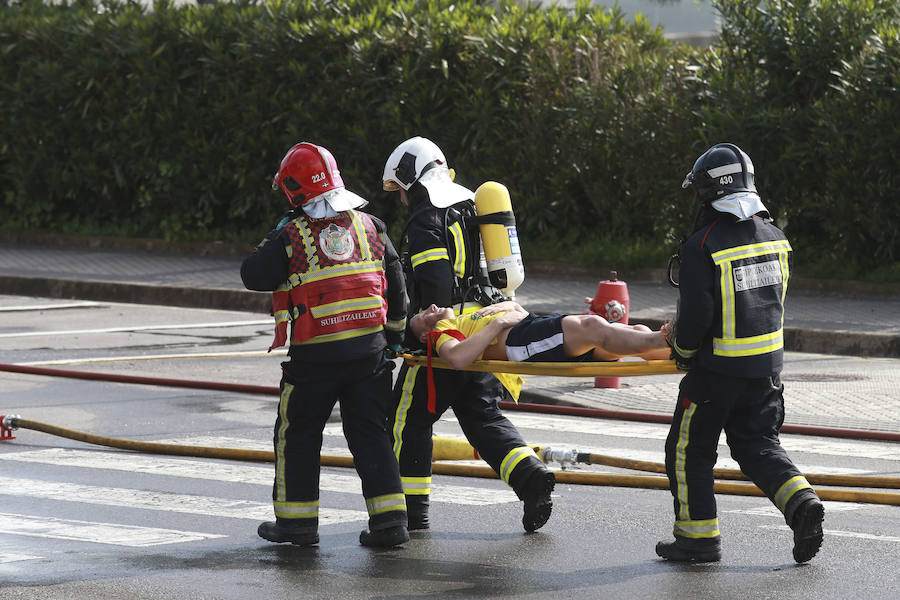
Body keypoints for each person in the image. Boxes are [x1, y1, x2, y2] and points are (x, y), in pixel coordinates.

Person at [655, 143, 824, 563]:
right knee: (756, 445)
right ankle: (802, 504)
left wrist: (679, 346)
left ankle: (697, 538)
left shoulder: (703, 244)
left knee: (688, 449)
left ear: (713, 191)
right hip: (767, 374)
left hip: (715, 373)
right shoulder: (776, 238)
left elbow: (695, 319)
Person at [382, 136, 556, 533]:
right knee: (482, 419)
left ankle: (409, 513)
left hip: (447, 335)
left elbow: (436, 285)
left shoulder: (427, 218)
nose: (403, 200)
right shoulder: (470, 205)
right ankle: (530, 477)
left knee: (406, 421)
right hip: (483, 327)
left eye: (402, 191)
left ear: (413, 181)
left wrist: (418, 329)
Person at [241, 142, 410, 548]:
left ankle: (298, 524)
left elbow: (253, 274)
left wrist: (278, 232)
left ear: (293, 191)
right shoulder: (372, 226)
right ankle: (390, 523)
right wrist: (395, 336)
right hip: (370, 354)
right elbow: (397, 284)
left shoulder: (291, 235)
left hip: (315, 359)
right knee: (372, 433)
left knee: (297, 434)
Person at [409, 301, 671, 369]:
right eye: (422, 316)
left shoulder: (460, 317)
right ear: (424, 335)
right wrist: (498, 323)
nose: (429, 309)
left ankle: (677, 352)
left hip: (533, 328)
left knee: (630, 332)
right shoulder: (440, 334)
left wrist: (507, 309)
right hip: (523, 341)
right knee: (593, 326)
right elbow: (456, 359)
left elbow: (513, 312)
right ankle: (666, 338)